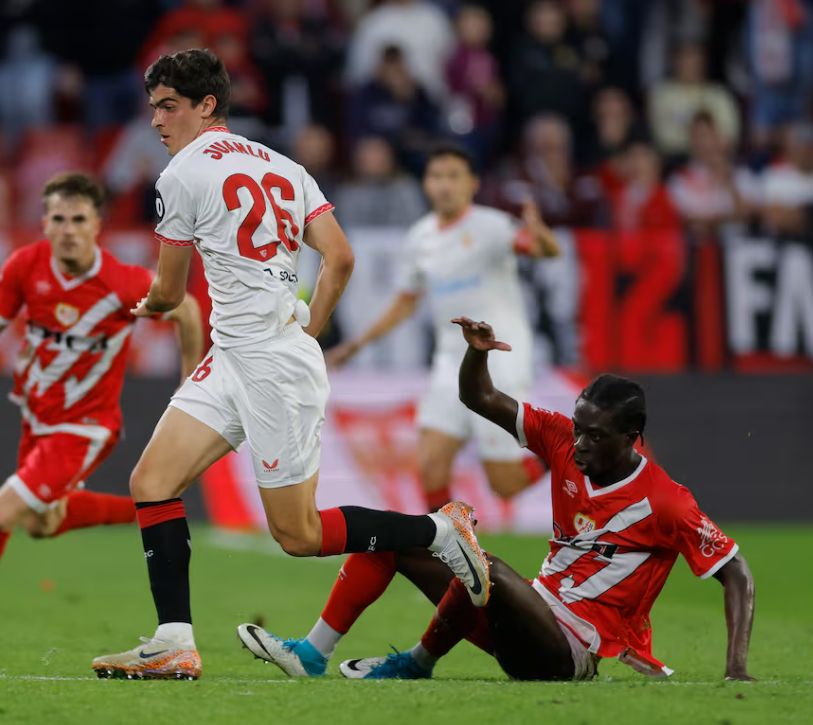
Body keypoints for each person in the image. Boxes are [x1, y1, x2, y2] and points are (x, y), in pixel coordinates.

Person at [91, 48, 492, 681]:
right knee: (152, 482)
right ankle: (174, 641)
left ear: (206, 106)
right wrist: (312, 323)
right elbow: (340, 257)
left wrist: (141, 305)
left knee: (298, 534)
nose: (157, 122)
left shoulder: (182, 175)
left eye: (169, 107)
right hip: (241, 354)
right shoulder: (286, 165)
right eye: (152, 109)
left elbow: (169, 293)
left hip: (271, 366)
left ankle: (437, 529)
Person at [241, 317, 755, 682]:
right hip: (521, 617)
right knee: (396, 536)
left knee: (480, 562)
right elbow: (478, 398)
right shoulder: (559, 438)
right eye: (578, 430)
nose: (579, 445)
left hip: (569, 653)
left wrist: (735, 668)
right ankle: (313, 653)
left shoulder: (666, 502)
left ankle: (417, 661)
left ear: (633, 436)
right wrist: (476, 354)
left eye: (595, 436)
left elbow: (736, 571)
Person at [0, 173, 205, 646]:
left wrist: (190, 386)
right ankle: (154, 510)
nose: (68, 228)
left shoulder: (122, 283)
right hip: (37, 420)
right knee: (40, 523)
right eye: (58, 218)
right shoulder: (26, 267)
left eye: (79, 219)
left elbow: (188, 311)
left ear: (97, 225)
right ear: (44, 223)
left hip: (85, 428)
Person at [327, 142, 559, 512]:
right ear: (425, 184)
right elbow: (406, 302)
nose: (444, 185)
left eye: (454, 176)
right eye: (436, 176)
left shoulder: (492, 225)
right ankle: (450, 556)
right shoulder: (420, 237)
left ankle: (566, 448)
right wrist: (356, 344)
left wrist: (541, 234)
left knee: (505, 484)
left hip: (498, 359)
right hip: (450, 362)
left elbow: (543, 250)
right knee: (430, 469)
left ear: (473, 184)